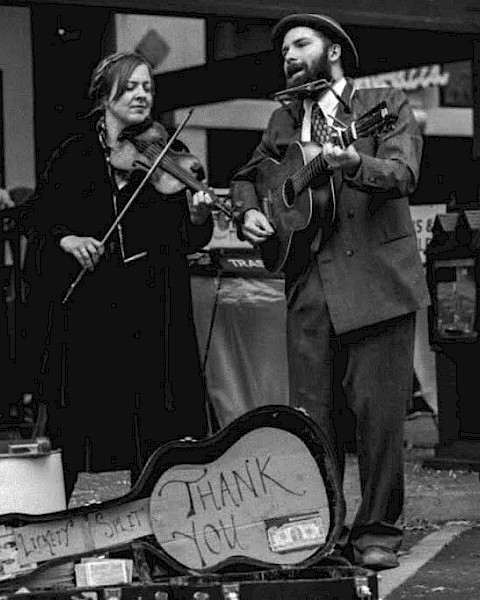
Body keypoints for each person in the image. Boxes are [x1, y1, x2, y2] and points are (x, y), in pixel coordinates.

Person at [231, 14, 430, 571]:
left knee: (379, 418)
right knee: (313, 420)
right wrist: (249, 210)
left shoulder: (384, 102)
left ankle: (378, 532)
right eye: (284, 50)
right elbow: (248, 176)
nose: (289, 56)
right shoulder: (282, 119)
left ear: (335, 51)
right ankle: (321, 528)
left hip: (377, 285)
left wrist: (353, 162)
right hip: (310, 288)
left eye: (301, 44)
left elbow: (403, 172)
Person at [28, 51, 215, 497]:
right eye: (130, 86)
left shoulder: (170, 155)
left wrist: (197, 214)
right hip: (92, 312)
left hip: (154, 308)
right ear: (104, 93)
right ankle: (60, 523)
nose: (140, 95)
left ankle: (153, 526)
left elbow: (191, 240)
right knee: (80, 423)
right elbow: (39, 222)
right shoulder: (73, 153)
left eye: (147, 87)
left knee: (157, 426)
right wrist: (67, 241)